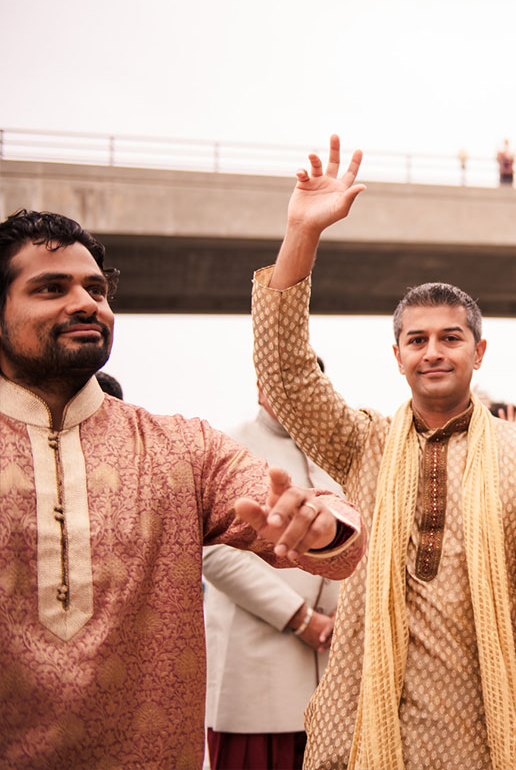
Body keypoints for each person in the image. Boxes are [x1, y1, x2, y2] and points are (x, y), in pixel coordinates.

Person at [252, 136, 516, 769]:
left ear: (479, 351)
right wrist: (302, 233)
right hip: (359, 720)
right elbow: (284, 374)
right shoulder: (363, 443)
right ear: (398, 357)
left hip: (478, 726)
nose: (433, 351)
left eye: (450, 337)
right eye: (417, 340)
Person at [0, 210, 367, 767]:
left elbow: (327, 533)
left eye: (95, 289)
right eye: (52, 288)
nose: (85, 303)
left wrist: (321, 528)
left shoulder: (182, 446)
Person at [204, 359, 347, 770]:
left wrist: (347, 614)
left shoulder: (333, 455)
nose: (290, 393)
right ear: (258, 386)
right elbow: (215, 552)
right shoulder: (228, 448)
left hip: (334, 661)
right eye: (279, 381)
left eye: (305, 384)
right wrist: (300, 618)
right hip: (258, 657)